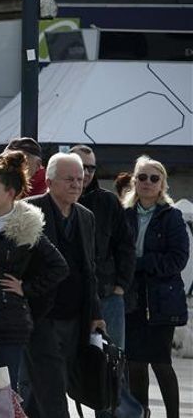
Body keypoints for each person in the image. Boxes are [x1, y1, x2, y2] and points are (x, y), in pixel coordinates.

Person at [0, 151, 69, 390]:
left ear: (11, 193)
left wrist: (25, 288)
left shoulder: (27, 226)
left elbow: (59, 267)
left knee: (4, 387)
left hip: (10, 317)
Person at [21, 152, 105, 418]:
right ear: (50, 180)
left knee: (45, 389)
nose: (76, 185)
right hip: (40, 315)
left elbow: (89, 269)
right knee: (53, 388)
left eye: (80, 179)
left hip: (75, 319)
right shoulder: (28, 210)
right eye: (69, 179)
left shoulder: (85, 216)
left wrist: (95, 314)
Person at [122, 156, 188, 418]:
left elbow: (178, 259)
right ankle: (142, 413)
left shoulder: (172, 216)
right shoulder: (124, 214)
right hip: (131, 298)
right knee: (135, 364)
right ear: (134, 181)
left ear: (162, 185)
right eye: (142, 177)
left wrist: (139, 263)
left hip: (162, 300)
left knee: (161, 363)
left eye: (153, 178)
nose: (147, 183)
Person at [70, 145, 135, 353]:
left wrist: (120, 286)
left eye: (91, 168)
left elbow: (125, 246)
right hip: (67, 298)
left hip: (107, 294)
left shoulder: (107, 201)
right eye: (82, 167)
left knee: (112, 365)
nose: (87, 173)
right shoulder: (54, 201)